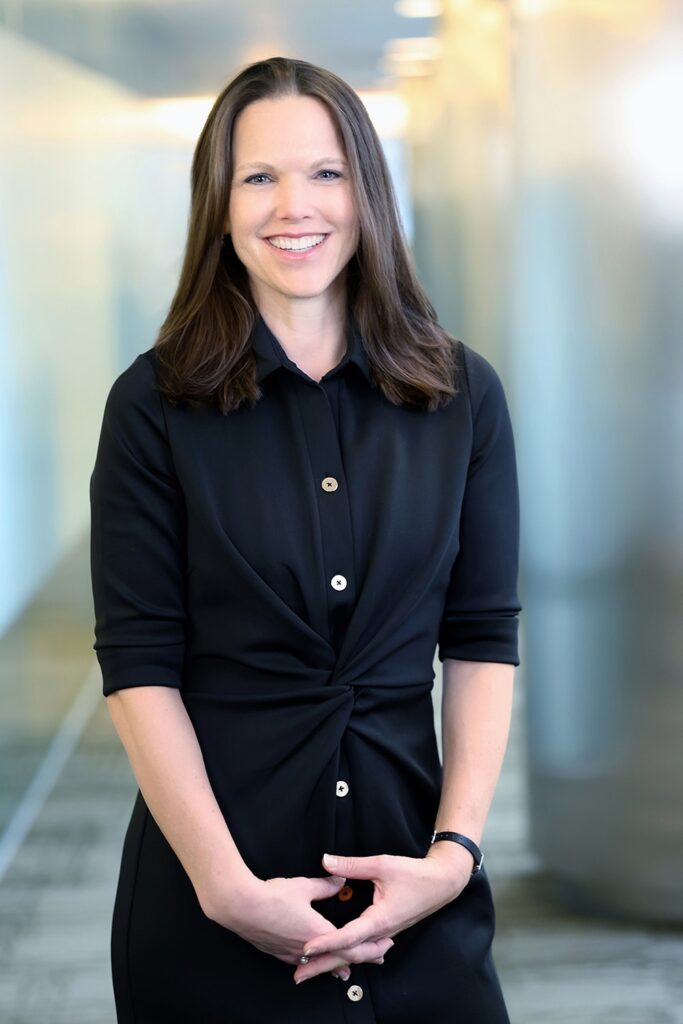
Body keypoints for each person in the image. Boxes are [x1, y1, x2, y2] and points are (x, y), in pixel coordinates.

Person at [89, 55, 522, 1024]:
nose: (296, 205)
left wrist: (452, 857)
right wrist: (221, 884)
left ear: (366, 189)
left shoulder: (462, 396)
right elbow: (138, 664)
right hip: (214, 893)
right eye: (259, 176)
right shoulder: (152, 409)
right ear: (220, 200)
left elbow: (483, 636)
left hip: (418, 887)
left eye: (326, 172)